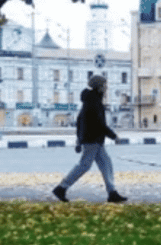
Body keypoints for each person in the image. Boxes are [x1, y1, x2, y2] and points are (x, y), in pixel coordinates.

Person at [53, 75, 127, 203]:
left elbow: (80, 120)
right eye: (104, 85)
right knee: (84, 165)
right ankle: (61, 188)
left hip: (93, 140)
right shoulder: (94, 102)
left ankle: (112, 193)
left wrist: (78, 139)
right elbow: (99, 124)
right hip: (92, 139)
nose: (106, 87)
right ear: (99, 87)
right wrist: (114, 136)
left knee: (106, 164)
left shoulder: (90, 100)